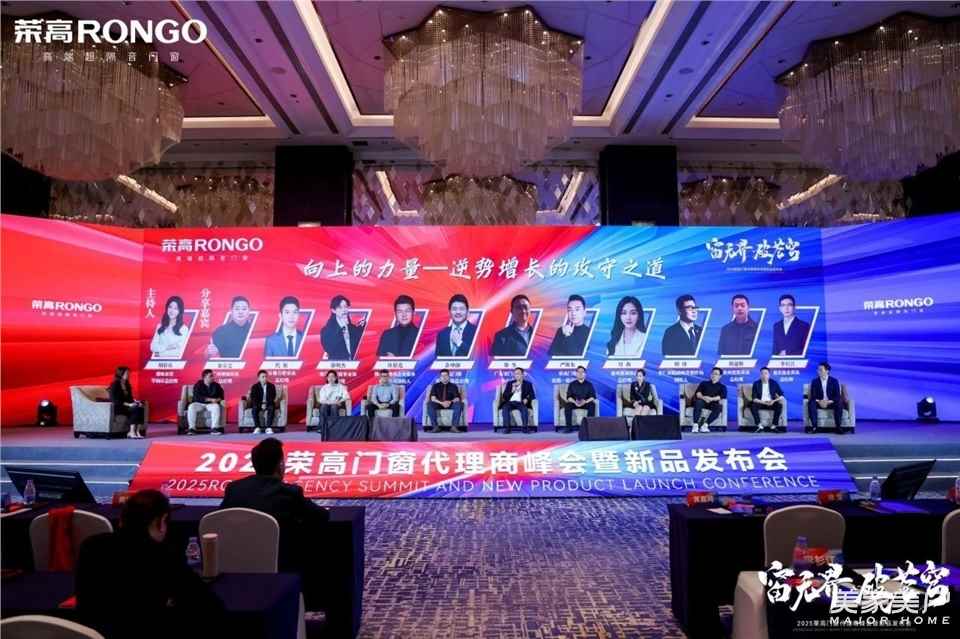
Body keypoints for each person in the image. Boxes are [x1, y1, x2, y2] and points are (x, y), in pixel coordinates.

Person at [76, 489, 224, 639]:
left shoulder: (91, 546)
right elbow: (210, 607)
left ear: (122, 518)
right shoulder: (163, 556)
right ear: (162, 521)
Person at [220, 438, 330, 605]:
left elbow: (219, 517)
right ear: (280, 466)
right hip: (279, 570)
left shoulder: (234, 489)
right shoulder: (290, 493)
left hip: (234, 571)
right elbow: (321, 516)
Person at [320, 295, 364, 360]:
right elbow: (331, 349)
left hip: (354, 364)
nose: (344, 310)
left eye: (345, 306)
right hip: (337, 364)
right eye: (340, 307)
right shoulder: (326, 330)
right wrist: (343, 328)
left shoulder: (352, 329)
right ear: (333, 310)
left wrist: (362, 326)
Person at [807, 362, 848, 433]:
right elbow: (813, 396)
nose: (818, 371)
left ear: (827, 371)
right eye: (818, 370)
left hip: (831, 403)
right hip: (819, 403)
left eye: (821, 370)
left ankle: (838, 427)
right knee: (811, 402)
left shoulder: (834, 381)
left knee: (839, 402)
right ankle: (814, 427)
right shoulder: (814, 382)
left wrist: (828, 402)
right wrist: (820, 401)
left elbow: (837, 396)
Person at [109, 366, 146, 439]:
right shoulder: (115, 384)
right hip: (119, 407)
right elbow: (114, 399)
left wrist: (135, 402)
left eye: (129, 373)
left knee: (140, 407)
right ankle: (131, 432)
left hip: (127, 406)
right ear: (121, 374)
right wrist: (129, 404)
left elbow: (130, 398)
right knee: (135, 409)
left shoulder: (127, 384)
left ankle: (137, 431)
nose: (128, 375)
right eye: (127, 373)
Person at [498, 367, 536, 433]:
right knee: (505, 408)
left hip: (520, 402)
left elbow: (532, 395)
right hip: (510, 402)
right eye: (515, 374)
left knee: (524, 409)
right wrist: (512, 391)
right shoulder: (510, 383)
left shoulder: (528, 384)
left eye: (518, 373)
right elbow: (504, 396)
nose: (516, 375)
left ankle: (525, 428)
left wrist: (527, 399)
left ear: (522, 375)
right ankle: (507, 428)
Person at [188, 369, 224, 435]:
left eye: (213, 376)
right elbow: (197, 397)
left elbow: (221, 396)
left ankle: (214, 428)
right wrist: (210, 399)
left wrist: (217, 400)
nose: (213, 377)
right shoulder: (198, 384)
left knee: (216, 407)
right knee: (191, 406)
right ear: (204, 377)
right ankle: (192, 428)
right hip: (199, 403)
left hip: (211, 404)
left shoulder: (216, 385)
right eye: (211, 376)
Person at [560, 365, 596, 432]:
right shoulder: (572, 384)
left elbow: (593, 396)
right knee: (567, 405)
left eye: (582, 372)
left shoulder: (589, 384)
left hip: (585, 403)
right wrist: (574, 402)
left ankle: (589, 428)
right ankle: (569, 427)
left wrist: (585, 401)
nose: (580, 373)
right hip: (575, 403)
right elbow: (569, 397)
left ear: (585, 374)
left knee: (592, 404)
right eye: (578, 372)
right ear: (576, 374)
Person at [749, 367, 785, 431]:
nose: (764, 375)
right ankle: (759, 426)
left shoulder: (774, 383)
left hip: (771, 402)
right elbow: (754, 398)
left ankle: (773, 426)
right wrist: (764, 402)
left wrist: (773, 401)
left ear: (769, 374)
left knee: (779, 406)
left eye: (766, 373)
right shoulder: (756, 384)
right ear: (760, 375)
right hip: (761, 402)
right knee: (752, 405)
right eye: (762, 373)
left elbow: (782, 395)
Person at [692, 367, 727, 433]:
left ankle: (705, 425)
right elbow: (698, 394)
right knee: (698, 402)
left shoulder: (722, 386)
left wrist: (711, 399)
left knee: (719, 407)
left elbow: (722, 396)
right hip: (703, 402)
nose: (713, 375)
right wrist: (704, 398)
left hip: (713, 403)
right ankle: (695, 425)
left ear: (720, 376)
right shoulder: (704, 383)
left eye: (716, 374)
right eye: (712, 373)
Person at [248, 369, 277, 434]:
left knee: (271, 407)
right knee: (254, 408)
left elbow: (272, 397)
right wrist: (260, 405)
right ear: (259, 378)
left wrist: (266, 404)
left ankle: (268, 428)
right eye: (263, 377)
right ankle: (257, 427)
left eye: (266, 376)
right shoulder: (255, 387)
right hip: (258, 404)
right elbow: (253, 398)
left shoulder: (271, 386)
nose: (265, 378)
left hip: (268, 403)